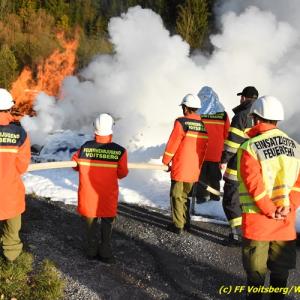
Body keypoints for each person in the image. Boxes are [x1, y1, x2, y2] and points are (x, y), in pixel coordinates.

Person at [237, 96, 300, 299]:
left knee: (256, 273)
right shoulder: (296, 148)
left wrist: (270, 209)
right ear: (277, 120)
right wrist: (289, 206)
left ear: (256, 119)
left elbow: (254, 185)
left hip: (259, 222)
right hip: (285, 221)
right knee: (280, 273)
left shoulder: (250, 147)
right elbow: (298, 185)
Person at [72, 113, 128, 264]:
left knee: (90, 224)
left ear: (94, 129)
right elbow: (122, 174)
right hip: (107, 197)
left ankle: (91, 251)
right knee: (107, 224)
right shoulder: (120, 151)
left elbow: (75, 165)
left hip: (88, 196)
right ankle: (105, 252)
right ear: (111, 130)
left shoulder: (84, 148)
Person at [162, 94, 208, 234]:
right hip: (194, 168)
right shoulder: (202, 126)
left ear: (186, 108)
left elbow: (173, 143)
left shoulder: (181, 122)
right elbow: (204, 149)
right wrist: (198, 167)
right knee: (185, 196)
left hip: (181, 167)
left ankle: (178, 225)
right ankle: (186, 222)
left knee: (176, 195)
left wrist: (166, 161)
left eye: (183, 107)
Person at [220, 86, 258, 244]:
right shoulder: (261, 116)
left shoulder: (241, 116)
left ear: (243, 97)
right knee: (247, 202)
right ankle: (249, 233)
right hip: (256, 168)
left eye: (241, 97)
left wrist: (222, 160)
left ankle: (236, 235)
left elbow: (231, 145)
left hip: (238, 166)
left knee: (231, 200)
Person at [0, 88, 31, 262]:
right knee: (12, 231)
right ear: (9, 108)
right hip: (10, 193)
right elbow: (22, 166)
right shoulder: (20, 134)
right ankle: (10, 259)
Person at [195, 86, 230, 202]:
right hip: (216, 152)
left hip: (201, 151)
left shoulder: (197, 113)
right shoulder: (223, 114)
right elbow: (227, 134)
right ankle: (215, 198)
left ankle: (201, 198)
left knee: (201, 176)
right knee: (215, 177)